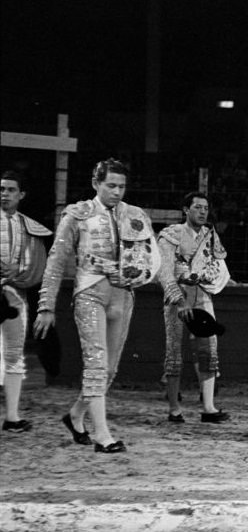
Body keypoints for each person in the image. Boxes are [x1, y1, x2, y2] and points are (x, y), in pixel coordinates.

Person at [34, 158, 160, 454]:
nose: (117, 192)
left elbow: (149, 257)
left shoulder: (135, 214)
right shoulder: (77, 215)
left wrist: (136, 277)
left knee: (110, 368)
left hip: (124, 294)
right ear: (96, 184)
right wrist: (46, 305)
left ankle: (76, 416)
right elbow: (56, 260)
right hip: (90, 292)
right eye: (111, 185)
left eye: (122, 186)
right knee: (97, 364)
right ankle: (103, 436)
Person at [157, 191, 231, 424]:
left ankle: (208, 408)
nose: (202, 212)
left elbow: (218, 267)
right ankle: (174, 409)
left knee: (209, 350)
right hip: (178, 296)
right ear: (185, 210)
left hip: (203, 295)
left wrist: (206, 278)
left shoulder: (210, 236)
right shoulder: (170, 235)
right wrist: (179, 300)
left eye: (205, 208)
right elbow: (165, 272)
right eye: (197, 207)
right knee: (174, 352)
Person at [1, 170, 53, 433]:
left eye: (10, 190)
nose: (4, 194)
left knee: (13, 355)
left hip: (13, 296)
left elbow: (36, 264)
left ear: (21, 195)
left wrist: (17, 273)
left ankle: (11, 417)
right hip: (10, 296)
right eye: (1, 189)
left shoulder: (29, 228)